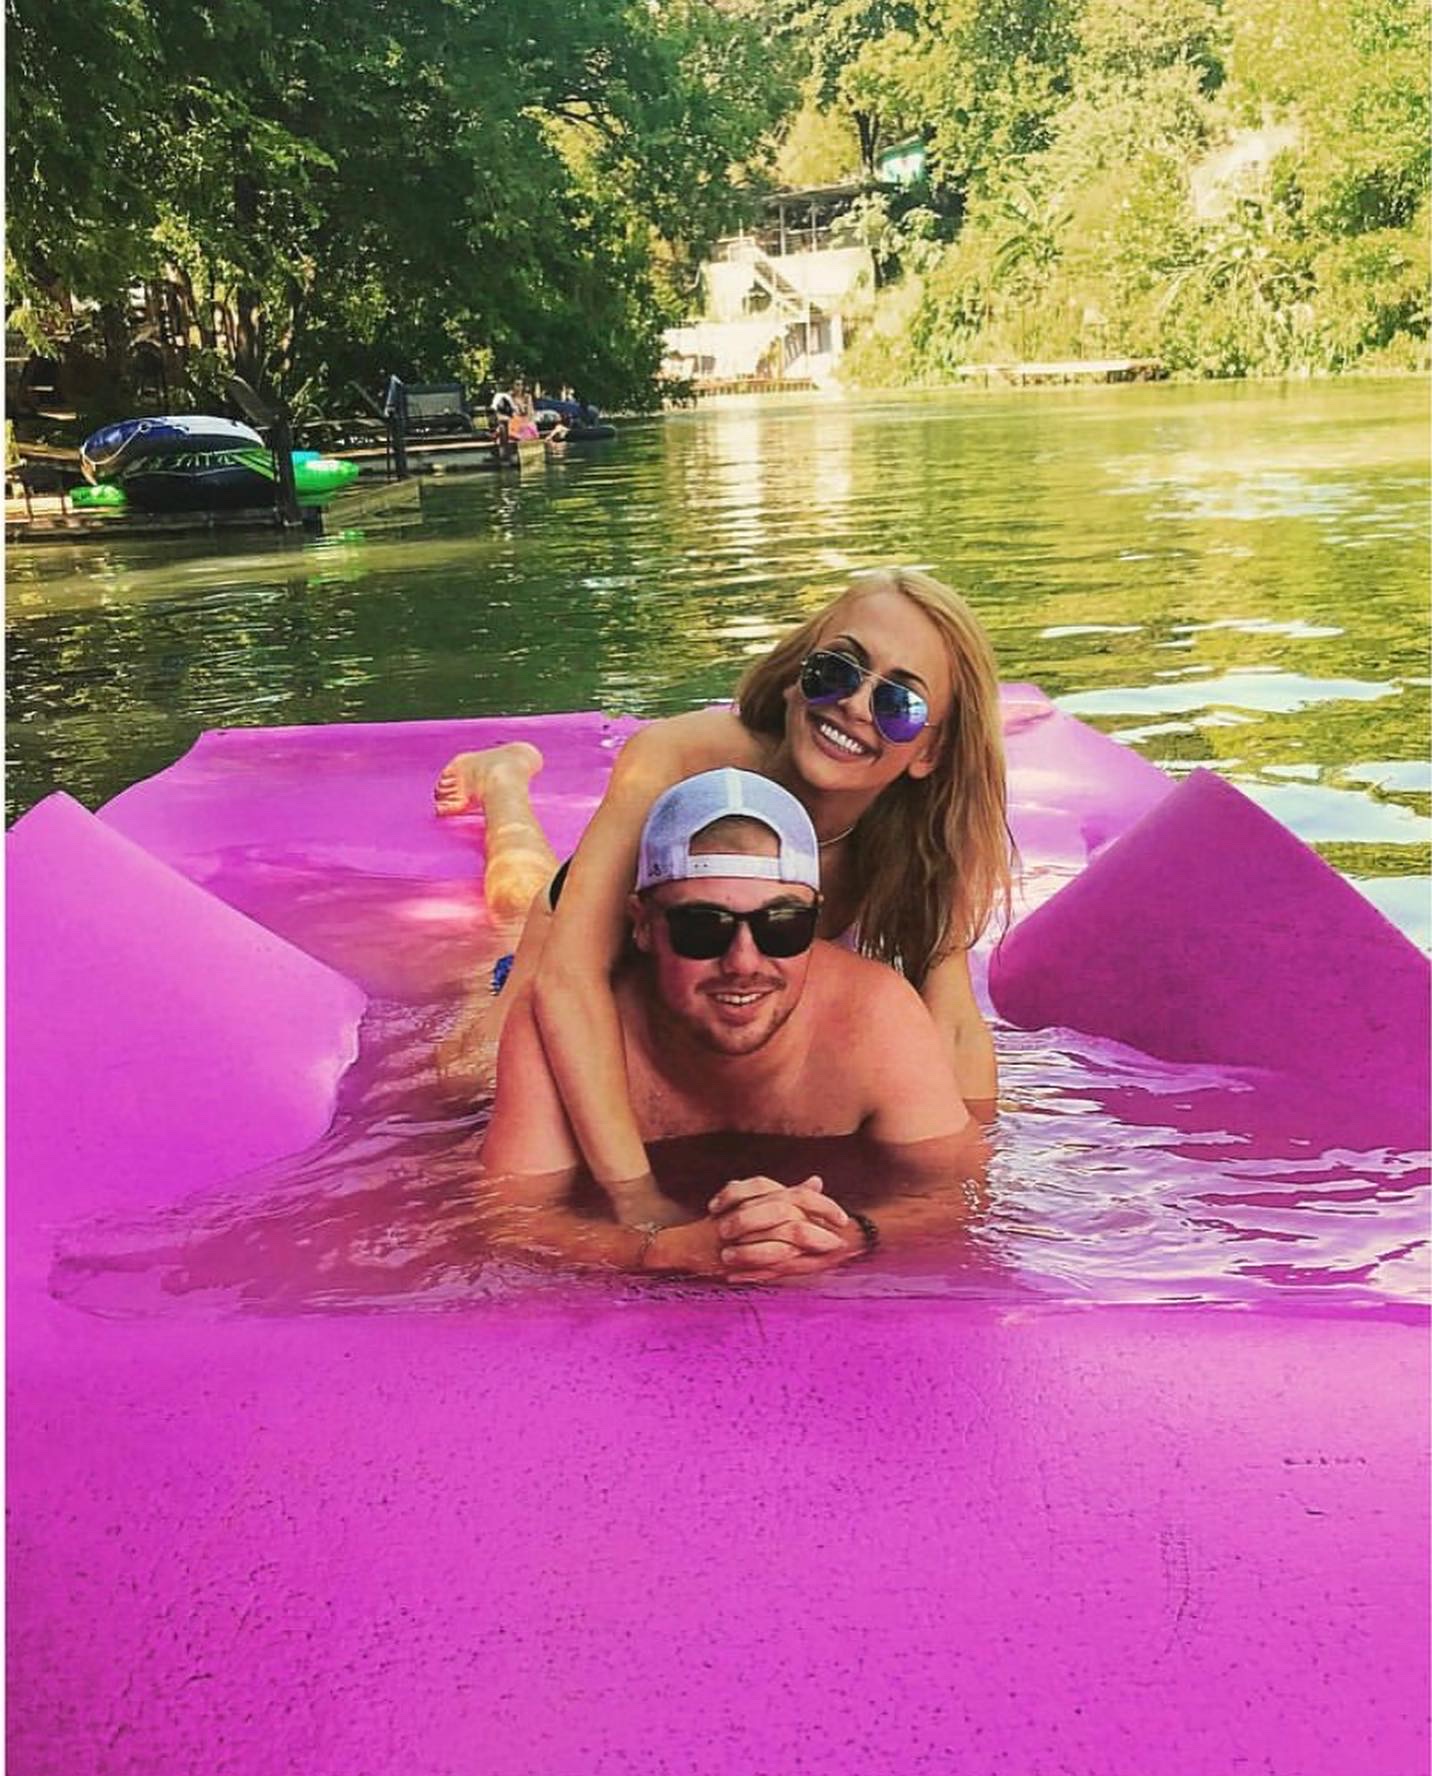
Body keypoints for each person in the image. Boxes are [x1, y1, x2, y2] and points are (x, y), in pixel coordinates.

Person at [436, 567, 1011, 1222]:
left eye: (899, 705)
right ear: (798, 675)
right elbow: (569, 981)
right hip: (591, 936)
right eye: (838, 671)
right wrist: (636, 1197)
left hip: (715, 971)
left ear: (930, 750)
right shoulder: (681, 759)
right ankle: (506, 782)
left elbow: (956, 1023)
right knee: (470, 1075)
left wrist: (968, 1187)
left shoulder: (928, 835)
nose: (855, 706)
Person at [478, 768, 984, 1279]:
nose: (744, 962)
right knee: (511, 915)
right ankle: (503, 788)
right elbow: (504, 1222)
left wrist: (848, 1234)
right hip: (521, 972)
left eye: (782, 926)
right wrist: (662, 1250)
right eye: (703, 928)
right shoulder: (555, 1024)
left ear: (816, 919)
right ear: (643, 926)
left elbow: (961, 1191)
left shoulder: (876, 1014)